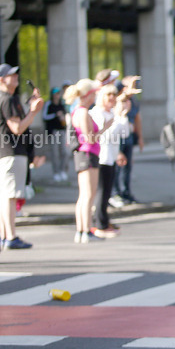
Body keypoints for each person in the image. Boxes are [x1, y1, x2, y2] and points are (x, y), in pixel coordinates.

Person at [0, 63, 43, 249]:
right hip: (12, 153)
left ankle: (6, 236)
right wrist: (34, 111)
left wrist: (29, 108)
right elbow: (18, 128)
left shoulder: (0, 99)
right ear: (1, 79)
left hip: (6, 152)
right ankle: (10, 236)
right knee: (10, 196)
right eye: (11, 75)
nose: (16, 77)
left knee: (6, 196)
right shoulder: (7, 100)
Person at [65, 79, 107, 244]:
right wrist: (105, 128)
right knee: (88, 194)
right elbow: (89, 139)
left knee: (85, 195)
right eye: (94, 94)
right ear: (88, 95)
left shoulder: (78, 111)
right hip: (87, 154)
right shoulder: (82, 112)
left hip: (85, 154)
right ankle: (85, 230)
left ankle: (82, 230)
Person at [90, 84, 131, 237]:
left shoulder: (112, 114)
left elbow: (125, 134)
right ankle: (99, 224)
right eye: (108, 95)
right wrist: (117, 118)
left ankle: (104, 220)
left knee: (107, 192)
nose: (112, 99)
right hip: (101, 157)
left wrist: (123, 115)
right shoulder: (97, 113)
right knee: (102, 192)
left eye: (114, 95)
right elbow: (103, 136)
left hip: (111, 157)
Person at [112, 75, 143, 206]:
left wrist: (140, 137)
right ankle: (115, 193)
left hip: (128, 136)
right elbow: (117, 105)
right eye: (131, 85)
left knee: (128, 166)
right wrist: (126, 92)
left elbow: (137, 118)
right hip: (117, 137)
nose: (134, 89)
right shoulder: (117, 99)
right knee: (118, 166)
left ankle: (126, 192)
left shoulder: (133, 101)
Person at [42, 85, 70, 182]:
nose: (57, 95)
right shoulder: (49, 104)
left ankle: (62, 170)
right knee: (55, 153)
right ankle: (56, 172)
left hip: (62, 130)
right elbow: (45, 117)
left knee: (65, 152)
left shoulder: (61, 104)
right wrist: (55, 115)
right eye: (55, 93)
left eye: (58, 93)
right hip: (53, 132)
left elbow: (65, 115)